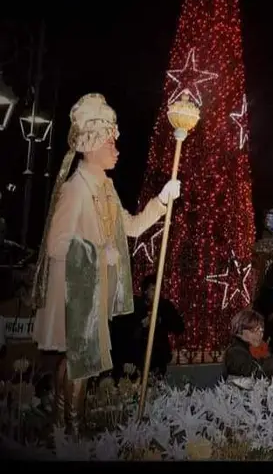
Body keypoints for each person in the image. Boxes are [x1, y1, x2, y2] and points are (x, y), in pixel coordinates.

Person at [30, 94, 181, 433]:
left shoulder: (106, 187)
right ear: (93, 144)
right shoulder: (75, 190)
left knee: (81, 364)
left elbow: (130, 227)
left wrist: (161, 200)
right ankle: (69, 430)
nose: (116, 148)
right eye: (110, 141)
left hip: (91, 294)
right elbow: (56, 245)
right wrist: (100, 253)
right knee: (77, 362)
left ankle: (69, 429)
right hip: (75, 295)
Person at [127, 273, 185, 378]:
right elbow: (127, 331)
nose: (156, 293)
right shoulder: (136, 306)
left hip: (158, 358)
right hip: (137, 359)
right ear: (145, 291)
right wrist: (142, 325)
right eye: (153, 289)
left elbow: (179, 327)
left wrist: (161, 321)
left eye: (158, 289)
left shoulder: (165, 306)